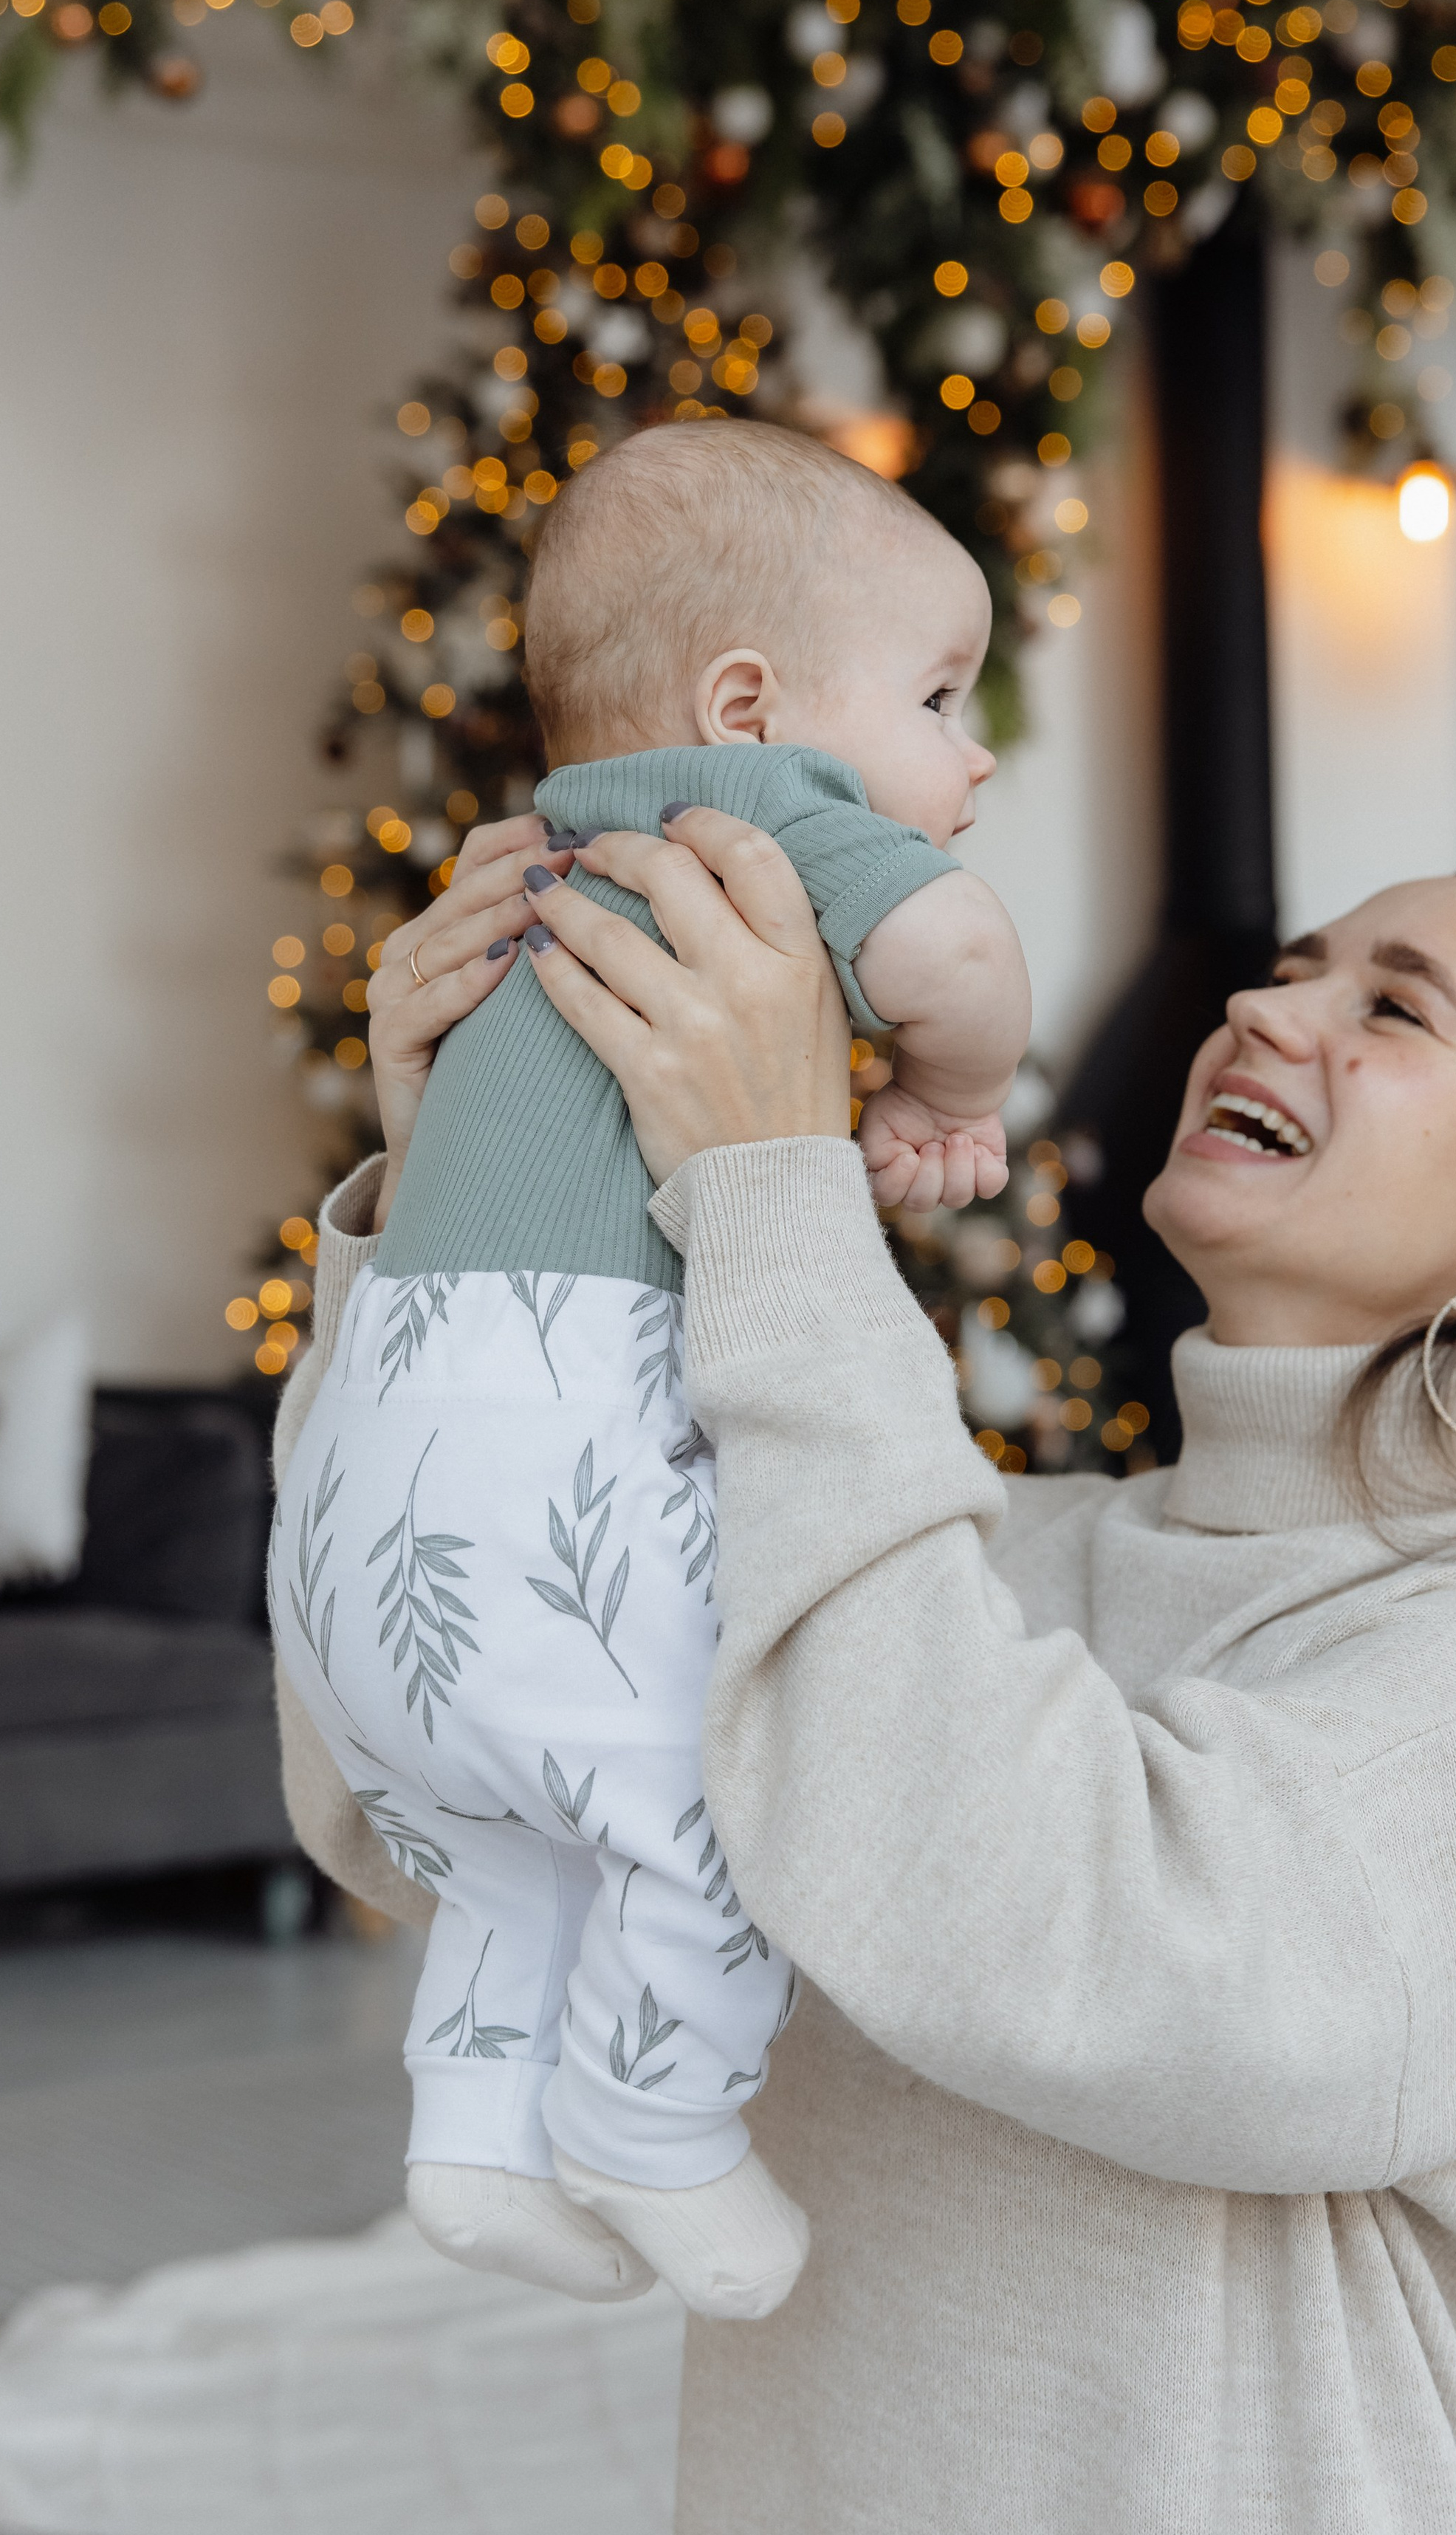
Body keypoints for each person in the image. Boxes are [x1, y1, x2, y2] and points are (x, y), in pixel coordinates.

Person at [273, 811, 1456, 2535]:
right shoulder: (980, 1561)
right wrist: (457, 1226)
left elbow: (1089, 1950)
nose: (1264, 1003)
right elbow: (431, 1802)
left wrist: (778, 1204)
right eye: (1296, 961)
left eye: (1393, 1009)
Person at [269, 422, 1031, 2325]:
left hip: (371, 1470)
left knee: (512, 1849)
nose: (979, 749)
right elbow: (955, 946)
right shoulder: (757, 814)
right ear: (752, 703)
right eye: (941, 694)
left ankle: (469, 2140)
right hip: (557, 1456)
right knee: (698, 1806)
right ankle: (652, 2125)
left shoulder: (520, 866)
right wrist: (954, 1083)